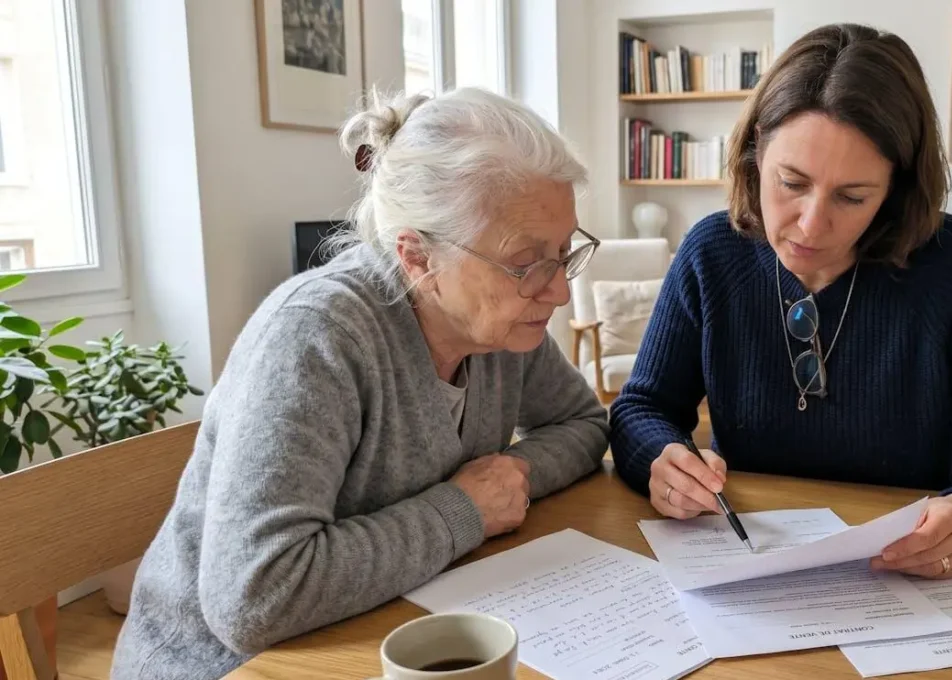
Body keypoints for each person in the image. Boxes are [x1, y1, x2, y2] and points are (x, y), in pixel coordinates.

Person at [111, 88, 609, 680]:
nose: (558, 291)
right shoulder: (315, 336)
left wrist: (511, 478)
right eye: (527, 262)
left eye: (564, 252)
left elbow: (582, 424)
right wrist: (464, 509)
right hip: (230, 665)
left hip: (392, 622)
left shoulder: (500, 328)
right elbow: (255, 595)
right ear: (419, 257)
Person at [608, 24, 952, 580]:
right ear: (756, 149)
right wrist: (660, 461)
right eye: (791, 182)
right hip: (753, 571)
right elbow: (641, 409)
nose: (811, 224)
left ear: (896, 190)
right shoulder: (712, 252)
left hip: (910, 575)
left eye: (852, 197)